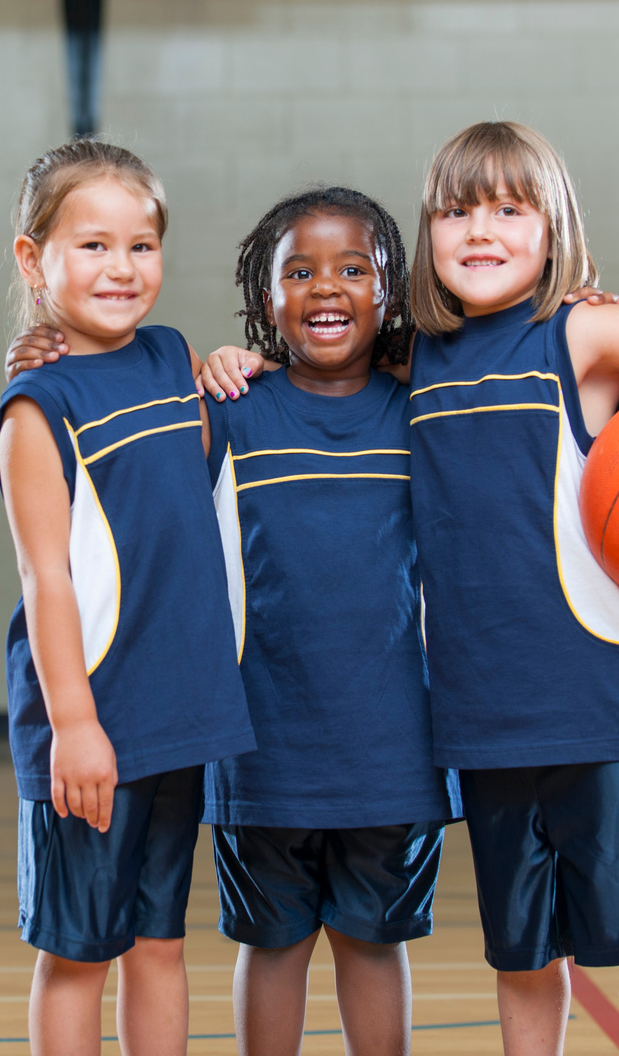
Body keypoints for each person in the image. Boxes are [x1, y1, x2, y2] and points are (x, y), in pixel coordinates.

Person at [199, 122, 619, 1056]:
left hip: (600, 704)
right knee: (521, 954)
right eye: (456, 211)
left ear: (553, 229)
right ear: (425, 237)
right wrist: (230, 360)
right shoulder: (417, 359)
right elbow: (321, 358)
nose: (481, 230)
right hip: (479, 722)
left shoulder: (580, 332)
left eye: (509, 209)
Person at [0, 139, 255, 1056]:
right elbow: (46, 577)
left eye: (140, 246)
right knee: (78, 953)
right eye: (93, 244)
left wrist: (227, 361)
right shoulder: (37, 405)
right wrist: (74, 723)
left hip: (180, 715)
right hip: (91, 726)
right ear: (35, 260)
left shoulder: (169, 357)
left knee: (159, 944)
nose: (121, 267)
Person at [203, 188, 455, 1056]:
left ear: (389, 290)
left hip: (394, 747)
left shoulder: (421, 408)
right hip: (263, 744)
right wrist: (39, 350)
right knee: (271, 945)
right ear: (263, 298)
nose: (325, 288)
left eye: (353, 269)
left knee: (371, 943)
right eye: (298, 271)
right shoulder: (231, 409)